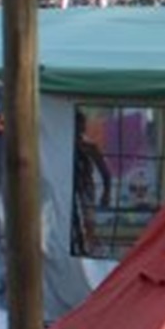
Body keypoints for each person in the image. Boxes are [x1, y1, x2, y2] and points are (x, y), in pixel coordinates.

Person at [72, 110, 111, 257]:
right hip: (66, 188)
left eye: (81, 124)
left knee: (89, 223)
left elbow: (105, 172)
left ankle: (90, 252)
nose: (79, 128)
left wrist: (106, 193)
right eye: (76, 124)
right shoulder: (62, 144)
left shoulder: (89, 147)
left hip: (85, 188)